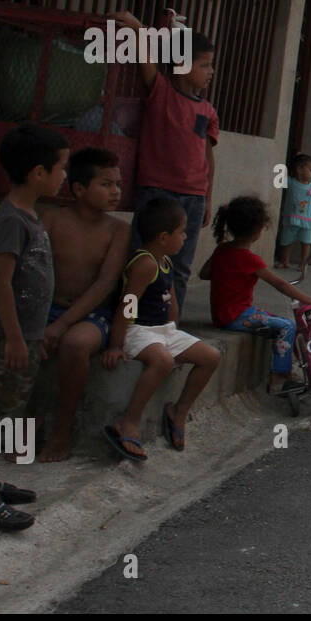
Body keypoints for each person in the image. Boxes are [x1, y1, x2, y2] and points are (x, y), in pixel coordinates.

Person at [0, 124, 68, 531]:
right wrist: (14, 337)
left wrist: (31, 336)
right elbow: (1, 284)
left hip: (23, 335)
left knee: (4, 414)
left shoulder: (29, 215)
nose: (65, 176)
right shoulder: (10, 219)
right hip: (4, 337)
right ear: (38, 172)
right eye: (61, 168)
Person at [113, 9, 218, 309]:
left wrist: (208, 198)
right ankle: (133, 319)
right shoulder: (160, 92)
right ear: (181, 64)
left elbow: (208, 158)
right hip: (157, 193)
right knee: (142, 259)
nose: (210, 71)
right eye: (205, 65)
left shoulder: (208, 111)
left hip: (193, 198)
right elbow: (144, 60)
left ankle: (169, 324)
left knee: (181, 268)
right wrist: (136, 29)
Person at [102, 197, 220, 462]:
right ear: (164, 237)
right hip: (139, 330)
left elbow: (171, 301)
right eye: (182, 232)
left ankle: (179, 411)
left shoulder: (165, 261)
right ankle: (129, 421)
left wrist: (176, 336)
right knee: (162, 361)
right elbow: (127, 305)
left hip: (162, 330)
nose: (185, 237)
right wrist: (115, 344)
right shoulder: (145, 263)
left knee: (210, 356)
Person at [37, 148, 131, 462]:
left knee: (76, 344)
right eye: (106, 184)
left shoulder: (118, 230)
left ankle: (62, 430)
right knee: (26, 341)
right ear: (78, 188)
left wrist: (62, 324)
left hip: (91, 314)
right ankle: (27, 426)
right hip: (45, 305)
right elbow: (34, 268)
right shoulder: (51, 217)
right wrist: (43, 319)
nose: (116, 191)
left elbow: (105, 283)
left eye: (118, 184)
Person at [201, 196, 311, 396]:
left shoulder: (222, 250)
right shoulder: (250, 260)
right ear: (257, 231)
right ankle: (279, 379)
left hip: (224, 313)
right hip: (234, 316)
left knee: (275, 320)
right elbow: (280, 284)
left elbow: (204, 274)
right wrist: (310, 300)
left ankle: (284, 371)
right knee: (287, 326)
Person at [274, 153, 311, 270]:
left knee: (306, 242)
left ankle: (303, 263)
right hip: (291, 218)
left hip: (307, 220)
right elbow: (278, 177)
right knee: (287, 240)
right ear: (299, 169)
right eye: (310, 170)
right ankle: (284, 261)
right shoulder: (291, 182)